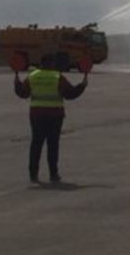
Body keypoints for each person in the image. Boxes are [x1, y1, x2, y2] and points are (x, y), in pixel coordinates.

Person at [14, 51, 88, 183]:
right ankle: (53, 174)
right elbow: (70, 94)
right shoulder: (57, 77)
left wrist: (16, 83)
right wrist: (82, 86)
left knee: (36, 144)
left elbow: (22, 93)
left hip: (36, 115)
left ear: (41, 64)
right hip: (54, 115)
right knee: (52, 145)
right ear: (52, 63)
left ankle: (33, 174)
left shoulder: (33, 76)